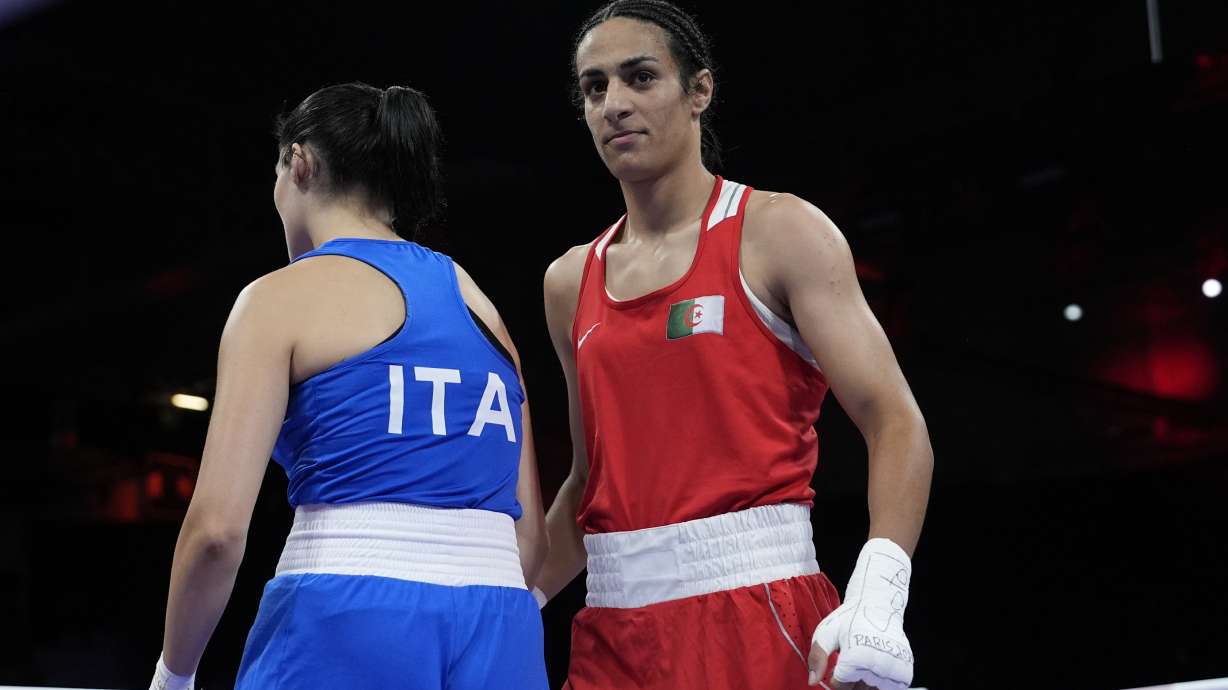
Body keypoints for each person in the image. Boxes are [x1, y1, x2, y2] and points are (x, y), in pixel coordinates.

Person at [534, 2, 934, 689]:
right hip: (612, 635)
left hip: (758, 614)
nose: (614, 105)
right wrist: (509, 603)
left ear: (699, 92)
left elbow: (895, 421)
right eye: (596, 87)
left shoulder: (779, 232)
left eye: (639, 77)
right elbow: (587, 484)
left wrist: (881, 589)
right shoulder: (570, 280)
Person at [148, 82, 549, 690]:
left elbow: (216, 533)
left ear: (299, 162)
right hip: (502, 624)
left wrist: (172, 677)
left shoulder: (278, 298)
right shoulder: (482, 306)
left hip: (345, 612)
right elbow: (530, 538)